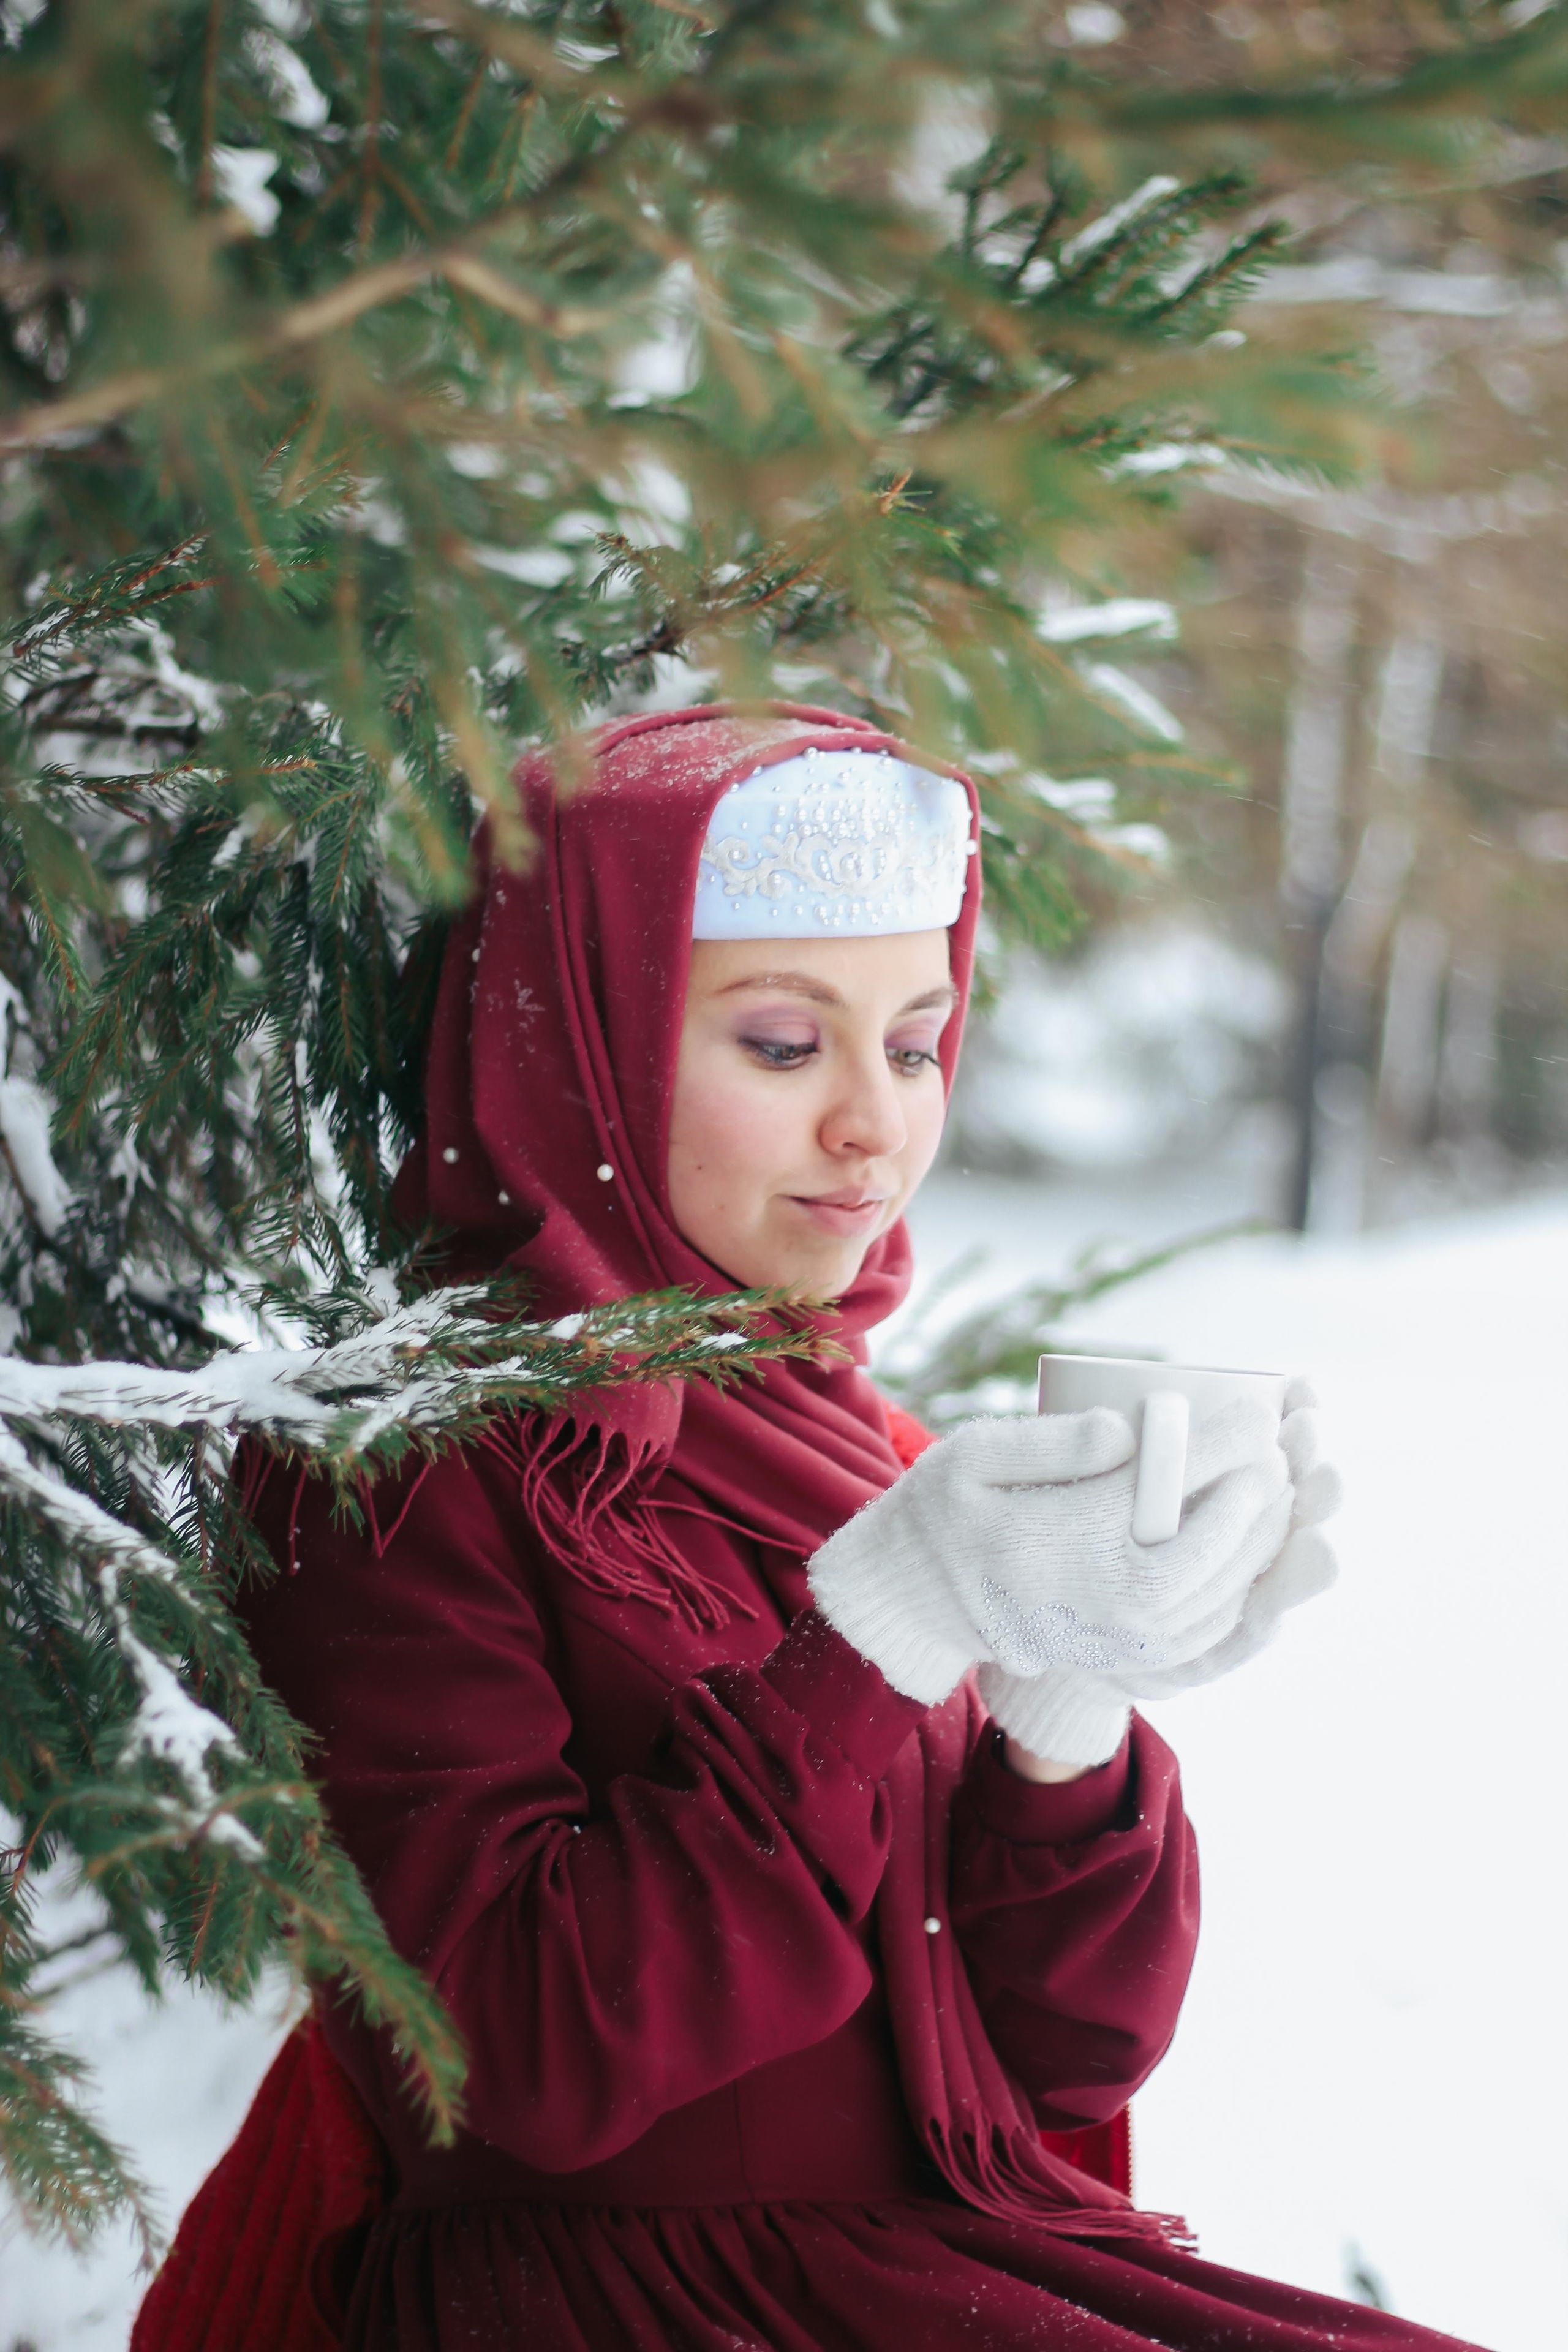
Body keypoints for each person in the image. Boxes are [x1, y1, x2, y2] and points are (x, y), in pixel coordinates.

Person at [140, 704, 1487, 2351]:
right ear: (585, 1047)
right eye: (786, 1044)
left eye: (918, 1043)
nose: (876, 1124)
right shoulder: (408, 1469)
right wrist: (889, 1629)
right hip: (613, 2306)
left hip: (931, 2271)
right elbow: (516, 2054)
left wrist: (1071, 1699)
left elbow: (1058, 2060)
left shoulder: (861, 1442)